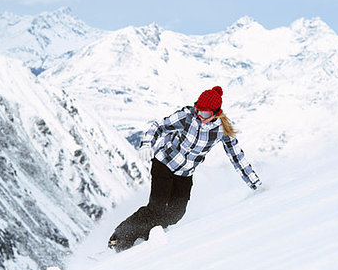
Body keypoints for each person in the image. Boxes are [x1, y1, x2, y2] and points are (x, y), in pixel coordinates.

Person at [108, 86, 262, 252]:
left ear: (216, 113)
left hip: (185, 173)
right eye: (198, 110)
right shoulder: (187, 117)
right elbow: (159, 125)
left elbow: (236, 156)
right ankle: (120, 239)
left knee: (176, 214)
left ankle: (147, 235)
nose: (199, 116)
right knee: (156, 208)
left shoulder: (221, 130)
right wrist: (146, 144)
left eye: (205, 114)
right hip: (164, 164)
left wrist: (256, 184)